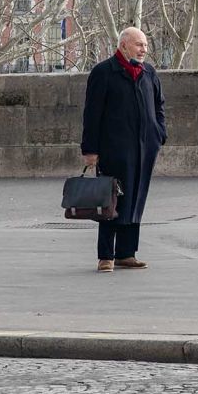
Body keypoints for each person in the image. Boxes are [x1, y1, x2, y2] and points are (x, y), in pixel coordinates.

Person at [81, 27, 167, 272]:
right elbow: (92, 114)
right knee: (112, 200)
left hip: (145, 147)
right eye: (139, 45)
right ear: (124, 45)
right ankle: (106, 255)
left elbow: (159, 105)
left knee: (137, 197)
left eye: (146, 46)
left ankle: (127, 252)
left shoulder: (148, 72)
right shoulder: (104, 72)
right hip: (114, 148)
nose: (144, 50)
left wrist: (159, 133)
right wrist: (90, 149)